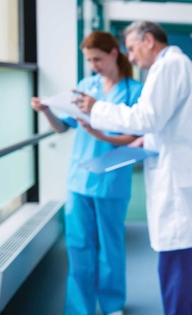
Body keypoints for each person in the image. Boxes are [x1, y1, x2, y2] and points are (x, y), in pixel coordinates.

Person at [74, 21, 192, 315]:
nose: (132, 57)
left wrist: (96, 108)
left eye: (133, 49)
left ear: (149, 40)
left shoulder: (167, 67)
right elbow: (170, 121)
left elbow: (146, 117)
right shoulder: (183, 66)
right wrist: (147, 140)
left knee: (177, 257)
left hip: (177, 178)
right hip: (187, 171)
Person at [31, 31, 143, 315]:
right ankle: (80, 308)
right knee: (78, 247)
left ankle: (112, 304)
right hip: (79, 178)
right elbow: (62, 126)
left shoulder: (134, 91)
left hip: (112, 179)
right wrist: (46, 110)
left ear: (114, 54)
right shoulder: (85, 85)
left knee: (111, 246)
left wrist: (98, 132)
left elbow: (134, 137)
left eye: (97, 59)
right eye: (89, 60)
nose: (94, 65)